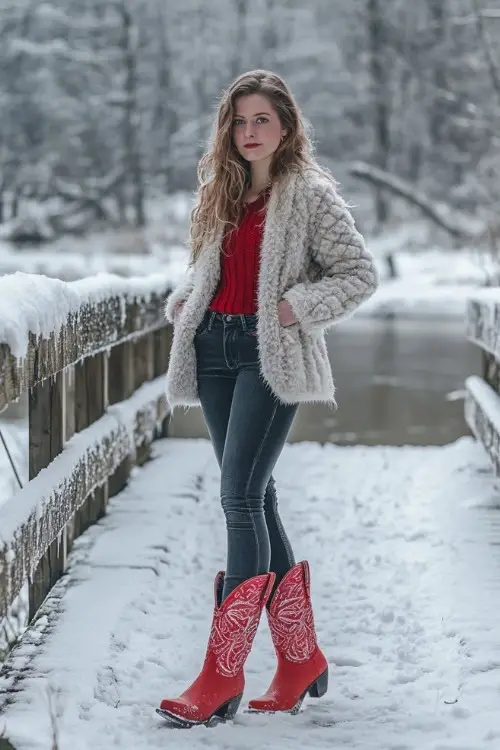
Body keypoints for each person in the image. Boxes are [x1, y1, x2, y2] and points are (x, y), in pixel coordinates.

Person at [157, 69, 378, 728]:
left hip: (268, 354)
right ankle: (299, 658)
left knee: (239, 497)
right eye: (239, 121)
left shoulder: (310, 195)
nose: (249, 132)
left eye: (262, 121)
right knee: (258, 494)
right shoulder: (218, 190)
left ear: (286, 128)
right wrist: (189, 298)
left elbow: (358, 273)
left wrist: (295, 307)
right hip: (214, 351)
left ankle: (221, 676)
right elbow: (211, 267)